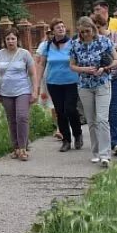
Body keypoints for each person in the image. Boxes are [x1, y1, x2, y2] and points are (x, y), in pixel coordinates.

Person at [70, 16, 117, 168]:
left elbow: (116, 60)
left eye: (88, 31)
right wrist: (84, 69)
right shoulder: (75, 44)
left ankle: (105, 155)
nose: (85, 34)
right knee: (91, 120)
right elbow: (72, 65)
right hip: (84, 85)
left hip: (102, 83)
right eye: (82, 32)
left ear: (94, 29)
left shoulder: (104, 41)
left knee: (102, 119)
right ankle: (96, 152)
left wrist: (104, 68)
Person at [35, 19, 82, 153]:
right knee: (60, 112)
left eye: (62, 27)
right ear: (52, 31)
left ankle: (77, 134)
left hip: (71, 82)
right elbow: (42, 64)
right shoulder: (48, 46)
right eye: (58, 27)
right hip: (53, 83)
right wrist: (37, 83)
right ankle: (66, 140)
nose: (61, 29)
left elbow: (79, 60)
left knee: (70, 109)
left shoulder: (73, 44)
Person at [0, 27, 38, 161]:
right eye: (8, 39)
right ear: (4, 41)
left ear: (17, 40)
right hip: (6, 92)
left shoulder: (25, 54)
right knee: (12, 120)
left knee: (22, 117)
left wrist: (35, 91)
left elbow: (33, 73)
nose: (10, 41)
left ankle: (23, 148)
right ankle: (16, 148)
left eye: (13, 38)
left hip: (23, 90)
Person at [93, 13, 117, 156]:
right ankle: (104, 142)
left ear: (104, 25)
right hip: (100, 80)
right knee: (102, 113)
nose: (96, 30)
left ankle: (116, 143)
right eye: (93, 27)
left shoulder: (115, 36)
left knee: (114, 110)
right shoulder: (91, 40)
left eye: (98, 27)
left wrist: (116, 48)